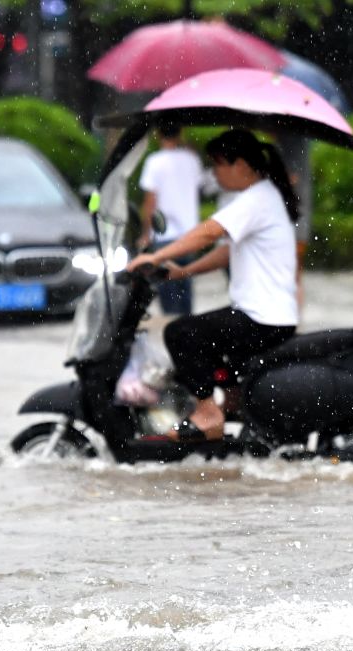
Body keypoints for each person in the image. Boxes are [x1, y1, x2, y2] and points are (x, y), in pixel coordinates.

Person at [126, 129, 300, 442]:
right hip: (266, 315)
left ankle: (208, 414)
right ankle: (234, 405)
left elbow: (209, 232)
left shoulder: (257, 199)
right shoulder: (264, 196)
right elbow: (226, 250)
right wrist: (185, 271)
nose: (214, 172)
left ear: (242, 166)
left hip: (263, 317)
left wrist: (156, 254)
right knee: (211, 338)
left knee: (181, 334)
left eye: (219, 164)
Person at [137, 125, 205, 315]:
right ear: (180, 132)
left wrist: (145, 234)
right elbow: (198, 189)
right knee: (185, 290)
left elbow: (150, 201)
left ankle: (172, 333)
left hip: (165, 234)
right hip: (190, 235)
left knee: (168, 293)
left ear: (158, 134)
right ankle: (188, 332)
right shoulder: (192, 159)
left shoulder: (154, 162)